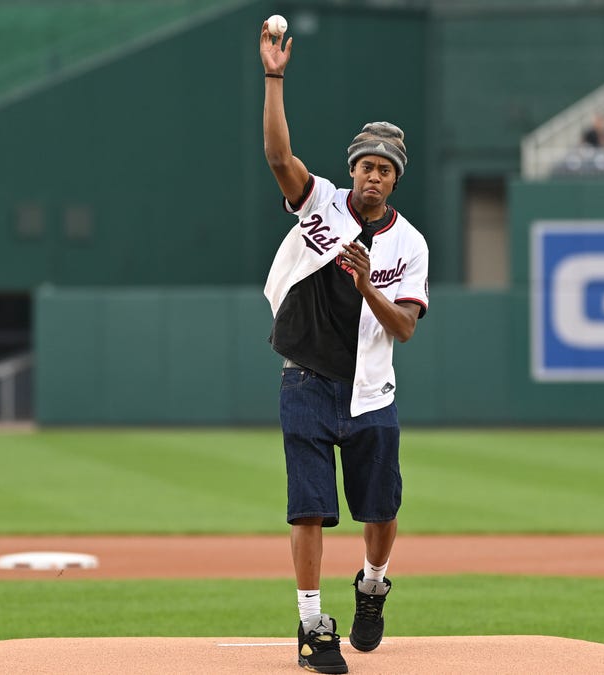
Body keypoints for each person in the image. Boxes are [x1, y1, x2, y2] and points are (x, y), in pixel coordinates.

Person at [259, 21, 429, 675]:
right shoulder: (322, 204)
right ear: (352, 169)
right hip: (305, 377)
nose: (373, 176)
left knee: (381, 510)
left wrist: (366, 285)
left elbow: (405, 328)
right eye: (366, 166)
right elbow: (280, 157)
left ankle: (373, 586)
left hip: (370, 389)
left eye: (385, 169)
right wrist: (274, 77)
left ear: (395, 179)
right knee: (307, 507)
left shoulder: (409, 244)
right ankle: (311, 624)